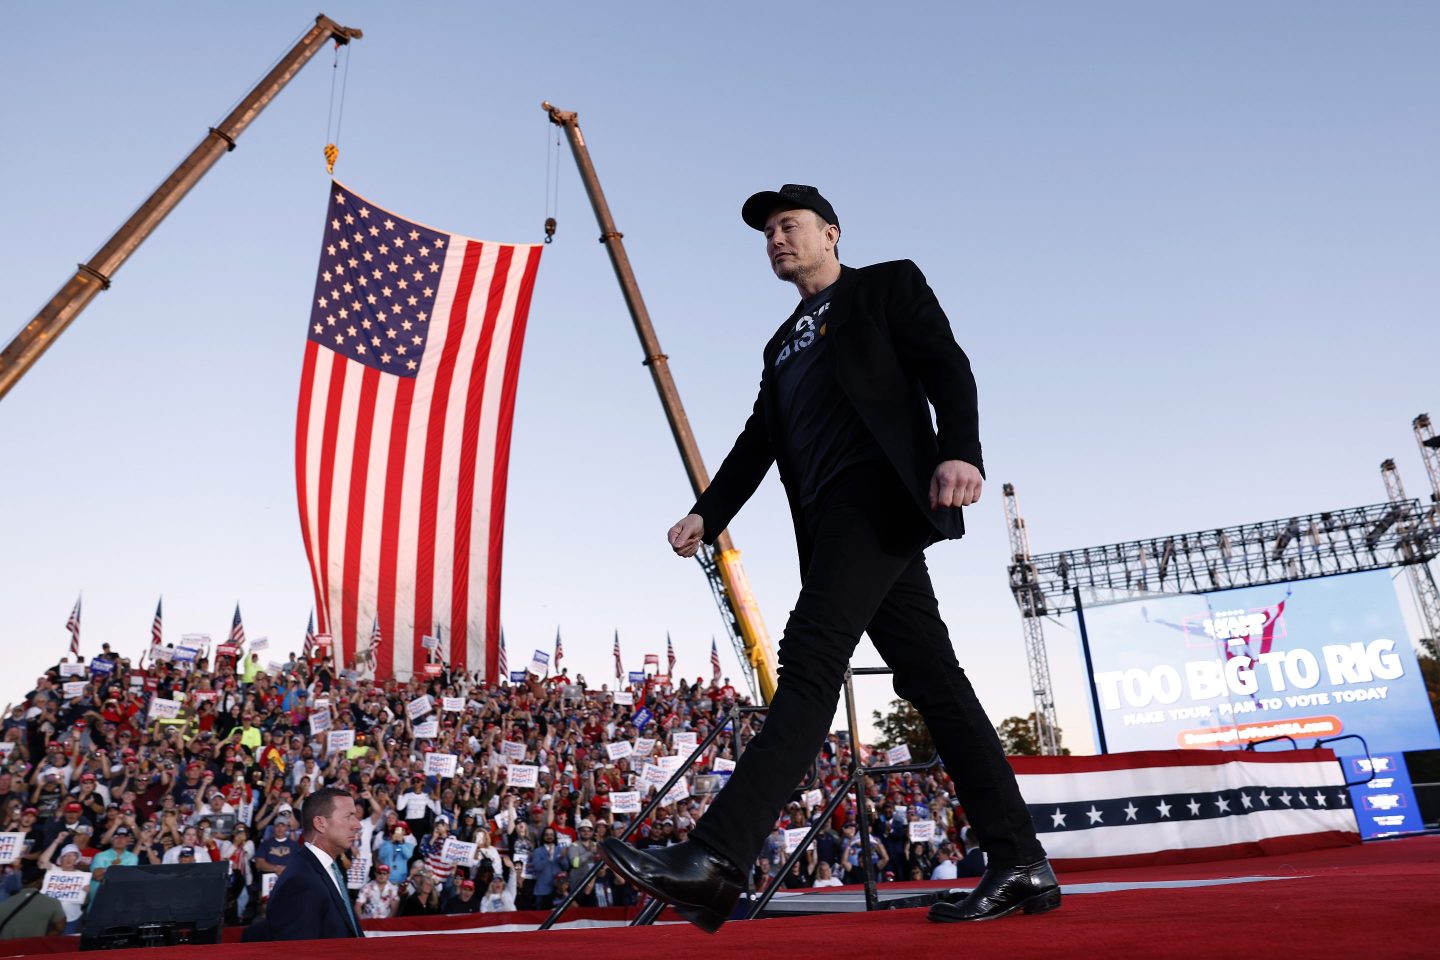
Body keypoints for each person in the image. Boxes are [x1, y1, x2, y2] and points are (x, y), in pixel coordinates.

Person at [600, 184, 1057, 931]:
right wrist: (706, 515)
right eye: (768, 232)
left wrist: (960, 453)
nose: (776, 238)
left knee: (809, 659)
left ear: (831, 234)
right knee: (935, 683)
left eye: (790, 225)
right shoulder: (779, 345)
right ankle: (1021, 862)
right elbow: (758, 443)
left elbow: (949, 366)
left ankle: (716, 858)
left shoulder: (886, 286)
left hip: (877, 501)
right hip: (832, 526)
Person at [242, 786, 364, 942]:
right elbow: (299, 952)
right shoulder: (300, 882)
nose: (357, 825)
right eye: (349, 816)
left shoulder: (329, 868)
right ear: (320, 823)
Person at [0, 876, 65, 940]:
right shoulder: (52, 902)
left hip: (6, 948)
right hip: (34, 947)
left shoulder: (4, 902)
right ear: (40, 881)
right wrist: (44, 940)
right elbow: (60, 927)